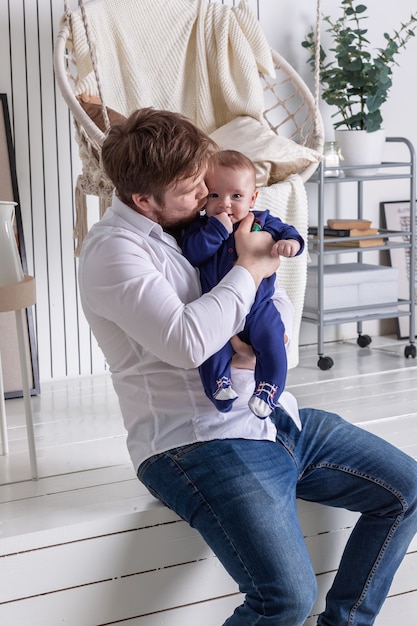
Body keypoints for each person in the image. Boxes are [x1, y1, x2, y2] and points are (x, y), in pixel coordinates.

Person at [78, 107, 417, 626]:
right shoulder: (113, 252)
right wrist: (250, 265)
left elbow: (275, 303)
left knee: (406, 488)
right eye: (193, 190)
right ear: (144, 201)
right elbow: (189, 340)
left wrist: (261, 334)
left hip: (275, 417)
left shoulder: (204, 216)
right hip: (198, 442)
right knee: (284, 598)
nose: (207, 197)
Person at [182, 149, 304, 418]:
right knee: (211, 346)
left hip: (259, 306)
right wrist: (216, 230)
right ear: (203, 199)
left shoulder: (262, 220)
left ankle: (268, 389)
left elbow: (289, 232)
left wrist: (290, 244)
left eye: (236, 196)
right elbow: (192, 253)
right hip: (219, 305)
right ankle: (219, 386)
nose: (225, 204)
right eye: (215, 195)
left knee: (273, 340)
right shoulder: (201, 228)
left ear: (253, 197)